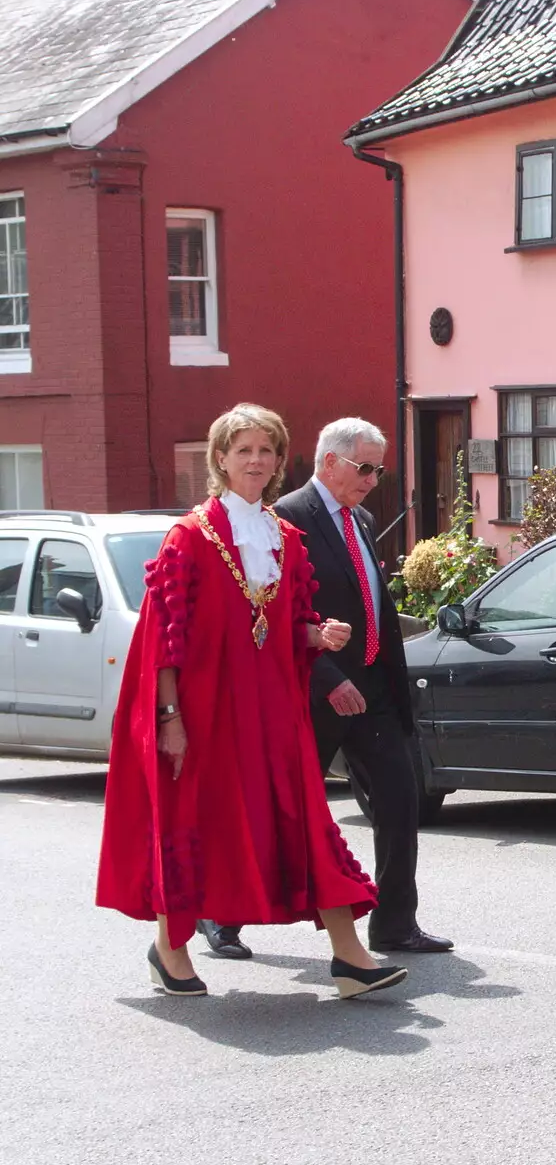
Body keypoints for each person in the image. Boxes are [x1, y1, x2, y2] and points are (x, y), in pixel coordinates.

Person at [96, 404, 407, 1000]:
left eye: (266, 450)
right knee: (196, 824)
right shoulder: (189, 536)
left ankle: (349, 956)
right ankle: (170, 950)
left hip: (273, 710)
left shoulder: (284, 536)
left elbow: (287, 624)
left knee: (305, 818)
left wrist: (318, 634)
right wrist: (171, 718)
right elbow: (166, 638)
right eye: (244, 450)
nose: (257, 461)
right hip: (206, 710)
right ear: (221, 460)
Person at [271, 418, 453, 955]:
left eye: (379, 468)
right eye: (365, 467)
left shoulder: (362, 518)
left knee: (400, 803)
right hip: (317, 689)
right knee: (286, 812)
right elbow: (280, 613)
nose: (374, 478)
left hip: (373, 688)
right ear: (329, 462)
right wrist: (327, 677)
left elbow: (374, 602)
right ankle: (221, 915)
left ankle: (395, 923)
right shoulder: (287, 519)